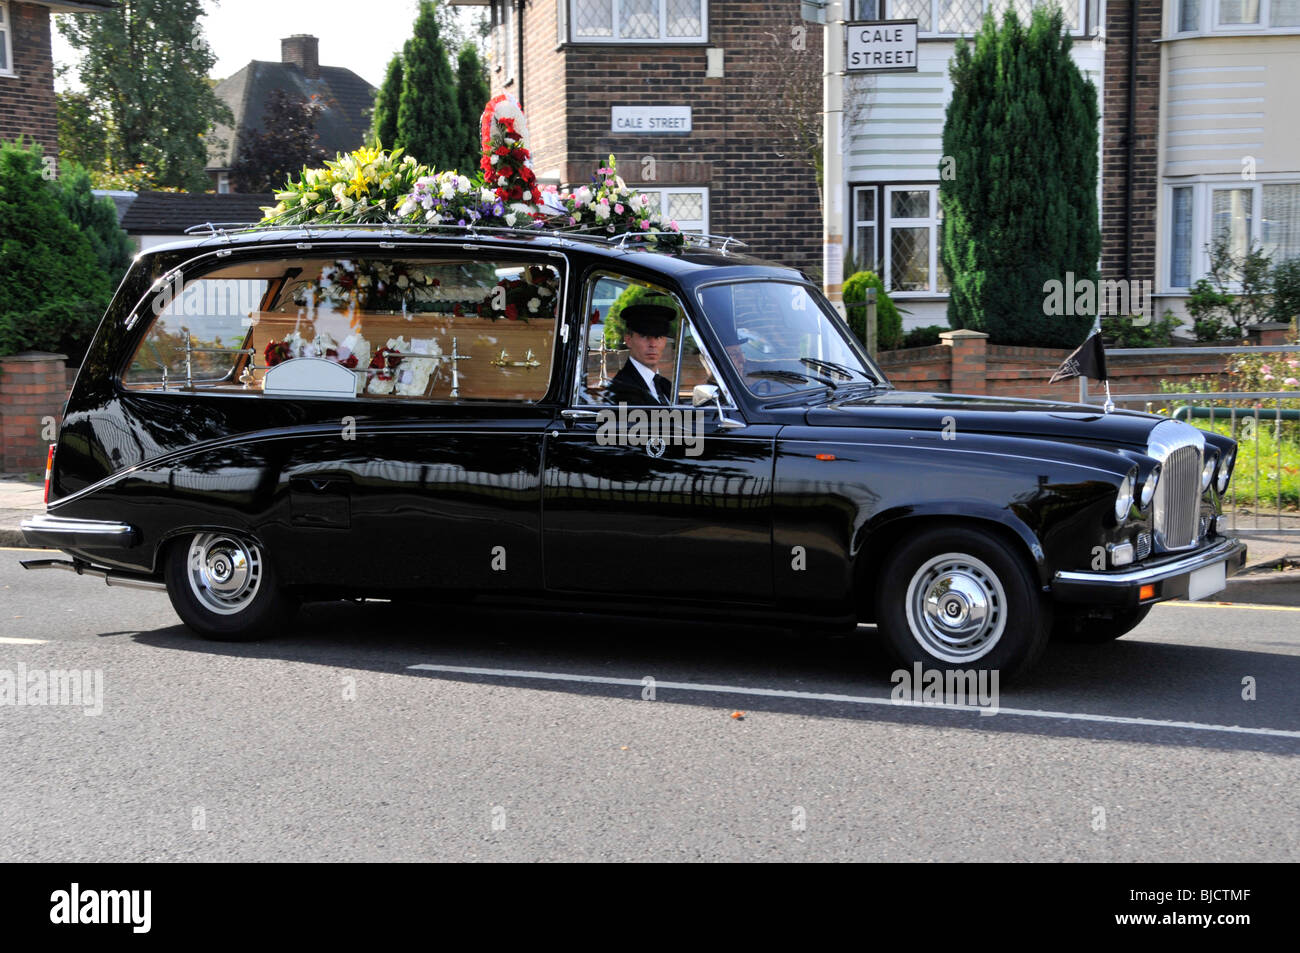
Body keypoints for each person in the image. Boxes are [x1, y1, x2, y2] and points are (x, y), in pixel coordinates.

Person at [607, 303, 676, 405]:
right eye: (644, 336)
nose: (653, 344)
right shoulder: (620, 389)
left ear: (665, 341)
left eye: (658, 337)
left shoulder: (666, 385)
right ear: (628, 340)